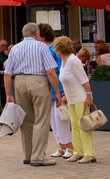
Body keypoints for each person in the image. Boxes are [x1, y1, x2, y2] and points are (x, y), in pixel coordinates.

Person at [2, 22, 61, 167]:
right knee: (41, 119)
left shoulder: (15, 48)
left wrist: (8, 93)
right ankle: (38, 156)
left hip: (20, 81)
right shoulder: (41, 47)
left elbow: (7, 73)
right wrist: (57, 92)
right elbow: (51, 71)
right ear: (37, 34)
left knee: (26, 120)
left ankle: (28, 155)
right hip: (38, 81)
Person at [55, 36, 96, 164]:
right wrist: (65, 96)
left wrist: (88, 96)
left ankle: (89, 153)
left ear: (60, 50)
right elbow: (68, 81)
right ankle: (78, 152)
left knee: (83, 125)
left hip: (80, 97)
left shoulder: (73, 61)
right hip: (71, 98)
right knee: (74, 125)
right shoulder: (64, 61)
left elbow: (84, 80)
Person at [39, 24, 73, 160]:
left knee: (60, 118)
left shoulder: (53, 50)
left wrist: (62, 91)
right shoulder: (47, 49)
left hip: (57, 88)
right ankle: (62, 145)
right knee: (54, 120)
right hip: (52, 89)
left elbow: (59, 70)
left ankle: (69, 146)